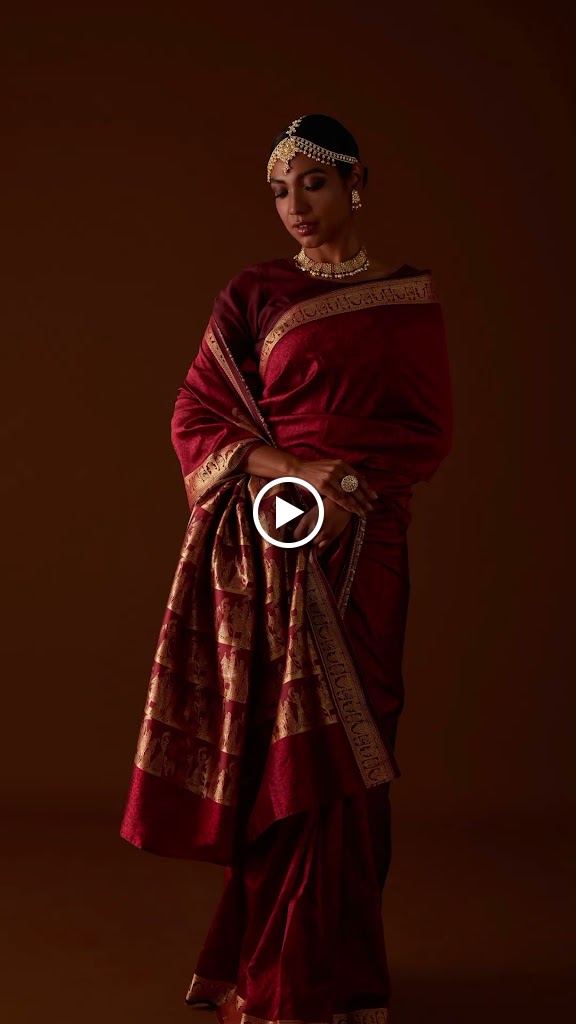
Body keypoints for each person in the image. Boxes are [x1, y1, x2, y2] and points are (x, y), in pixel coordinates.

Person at [120, 113, 453, 1024]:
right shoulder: (255, 293)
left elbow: (426, 431)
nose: (295, 205)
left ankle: (344, 975)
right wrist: (299, 474)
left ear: (356, 184)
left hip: (367, 542)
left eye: (313, 183)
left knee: (352, 749)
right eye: (279, 190)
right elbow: (198, 415)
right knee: (284, 747)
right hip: (271, 543)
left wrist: (349, 486)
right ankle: (276, 973)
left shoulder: (406, 297)